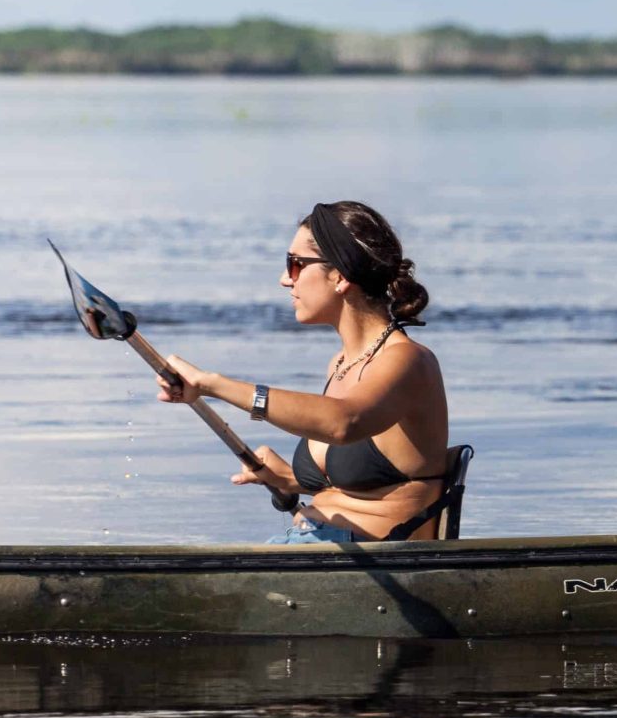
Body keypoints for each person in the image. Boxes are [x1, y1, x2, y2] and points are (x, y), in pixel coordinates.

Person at [156, 201, 449, 544]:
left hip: (365, 568)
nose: (284, 279)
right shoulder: (341, 363)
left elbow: (344, 422)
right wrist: (288, 478)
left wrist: (214, 385)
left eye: (295, 265)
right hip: (315, 546)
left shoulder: (408, 361)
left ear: (340, 276)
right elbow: (357, 483)